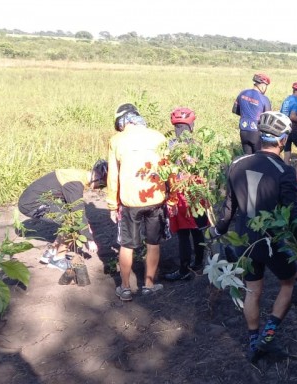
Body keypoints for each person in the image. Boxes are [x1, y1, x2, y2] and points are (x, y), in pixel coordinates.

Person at [214, 111, 297, 362]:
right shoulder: (284, 170)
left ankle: (253, 339)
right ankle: (267, 337)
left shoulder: (237, 164)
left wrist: (218, 231)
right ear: (282, 140)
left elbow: (228, 209)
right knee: (288, 282)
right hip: (272, 240)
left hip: (245, 240)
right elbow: (293, 217)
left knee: (253, 291)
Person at [107, 103, 168, 301]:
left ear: (123, 121)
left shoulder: (116, 140)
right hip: (156, 198)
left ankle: (125, 288)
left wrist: (112, 204)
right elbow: (169, 169)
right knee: (153, 243)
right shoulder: (159, 136)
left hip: (130, 200)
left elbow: (112, 176)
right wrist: (172, 196)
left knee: (127, 244)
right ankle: (149, 285)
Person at [18, 159, 107, 270]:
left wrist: (86, 226)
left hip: (33, 200)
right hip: (31, 204)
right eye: (101, 185)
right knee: (73, 224)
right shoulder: (75, 184)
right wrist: (89, 239)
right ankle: (58, 259)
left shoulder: (78, 176)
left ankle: (51, 252)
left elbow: (73, 208)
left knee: (72, 219)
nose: (99, 189)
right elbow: (77, 214)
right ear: (97, 177)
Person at [164, 107, 208, 282]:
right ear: (191, 126)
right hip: (197, 192)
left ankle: (184, 269)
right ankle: (198, 262)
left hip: (180, 193)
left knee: (183, 233)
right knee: (198, 230)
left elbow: (166, 172)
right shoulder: (196, 145)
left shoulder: (170, 145)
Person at [232, 73, 272, 155]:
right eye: (266, 86)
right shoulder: (264, 99)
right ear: (262, 85)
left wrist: (246, 115)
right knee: (258, 160)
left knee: (248, 158)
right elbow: (268, 118)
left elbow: (235, 110)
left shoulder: (242, 93)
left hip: (243, 131)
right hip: (256, 133)